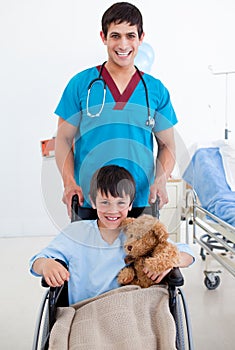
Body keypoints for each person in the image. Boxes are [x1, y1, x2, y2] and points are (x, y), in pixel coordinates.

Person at [54, 2, 178, 219]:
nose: (123, 44)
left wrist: (161, 180)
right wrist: (69, 183)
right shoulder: (81, 84)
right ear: (103, 37)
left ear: (141, 38)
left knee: (140, 254)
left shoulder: (155, 90)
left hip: (140, 201)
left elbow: (167, 146)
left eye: (130, 35)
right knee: (88, 253)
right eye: (115, 36)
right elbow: (63, 141)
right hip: (90, 201)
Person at [30, 165, 195, 305]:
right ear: (93, 201)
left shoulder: (139, 232)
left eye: (121, 203)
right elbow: (37, 261)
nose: (112, 210)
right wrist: (46, 265)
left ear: (130, 205)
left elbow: (187, 252)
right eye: (105, 202)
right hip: (86, 308)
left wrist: (170, 261)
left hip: (130, 306)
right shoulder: (76, 233)